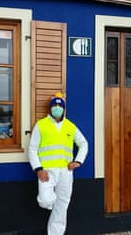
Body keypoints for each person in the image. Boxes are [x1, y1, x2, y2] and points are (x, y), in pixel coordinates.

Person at [28, 92, 88, 235]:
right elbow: (32, 148)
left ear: (64, 108)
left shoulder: (70, 126)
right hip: (46, 172)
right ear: (50, 108)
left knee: (62, 205)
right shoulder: (41, 125)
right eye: (54, 105)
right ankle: (53, 206)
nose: (56, 108)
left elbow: (83, 143)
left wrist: (78, 161)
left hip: (65, 172)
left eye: (59, 106)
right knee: (45, 200)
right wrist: (38, 169)